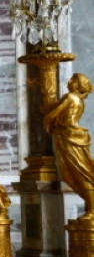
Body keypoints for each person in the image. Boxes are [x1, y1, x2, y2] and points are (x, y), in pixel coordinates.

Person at [45, 73, 94, 219]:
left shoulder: (70, 97)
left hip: (69, 136)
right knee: (81, 172)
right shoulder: (80, 99)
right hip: (75, 134)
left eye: (73, 80)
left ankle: (91, 209)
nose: (69, 81)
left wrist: (47, 123)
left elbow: (53, 114)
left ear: (78, 84)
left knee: (79, 172)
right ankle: (90, 206)